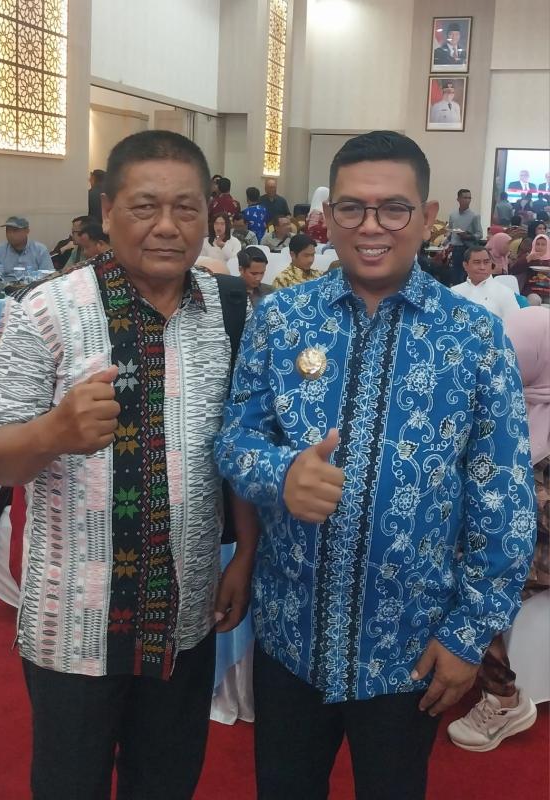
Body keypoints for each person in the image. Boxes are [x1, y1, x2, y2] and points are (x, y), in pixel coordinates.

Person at [215, 130, 535, 800]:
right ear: (326, 218)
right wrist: (280, 474)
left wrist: (469, 635)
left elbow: (503, 500)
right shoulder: (282, 319)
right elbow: (235, 439)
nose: (371, 226)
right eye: (352, 208)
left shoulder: (472, 337)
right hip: (291, 636)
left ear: (427, 217)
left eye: (394, 208)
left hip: (410, 650)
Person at [0, 130, 257, 800]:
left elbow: (237, 443)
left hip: (185, 615)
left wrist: (245, 550)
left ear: (209, 217)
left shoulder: (225, 310)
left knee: (167, 782)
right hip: (74, 622)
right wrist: (53, 432)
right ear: (107, 211)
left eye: (185, 209)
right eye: (145, 207)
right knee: (70, 785)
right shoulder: (47, 311)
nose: (167, 226)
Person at [448, 306, 549, 751]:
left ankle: (504, 699)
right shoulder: (519, 404)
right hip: (526, 540)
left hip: (540, 550)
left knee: (471, 583)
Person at [451, 245, 519, 321]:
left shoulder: (505, 292)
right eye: (477, 263)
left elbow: (515, 323)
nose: (482, 267)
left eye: (486, 262)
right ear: (465, 265)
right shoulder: (455, 292)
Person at [447, 188, 483, 285]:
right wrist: (446, 244)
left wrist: (467, 236)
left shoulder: (474, 216)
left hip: (467, 249)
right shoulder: (453, 215)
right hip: (455, 249)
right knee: (455, 276)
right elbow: (451, 232)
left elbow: (480, 234)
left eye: (469, 198)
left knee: (465, 276)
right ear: (458, 199)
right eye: (465, 198)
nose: (468, 200)